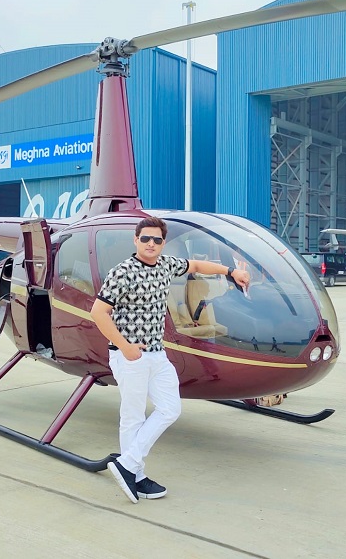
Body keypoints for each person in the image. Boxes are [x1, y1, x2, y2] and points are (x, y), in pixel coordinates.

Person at [90, 216, 250, 503]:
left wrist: (230, 272)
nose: (151, 244)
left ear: (163, 243)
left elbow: (197, 266)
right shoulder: (122, 272)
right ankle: (135, 475)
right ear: (135, 240)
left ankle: (127, 464)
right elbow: (98, 312)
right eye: (145, 239)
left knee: (169, 409)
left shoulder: (166, 265)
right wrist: (124, 346)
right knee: (133, 417)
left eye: (157, 240)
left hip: (157, 354)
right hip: (130, 356)